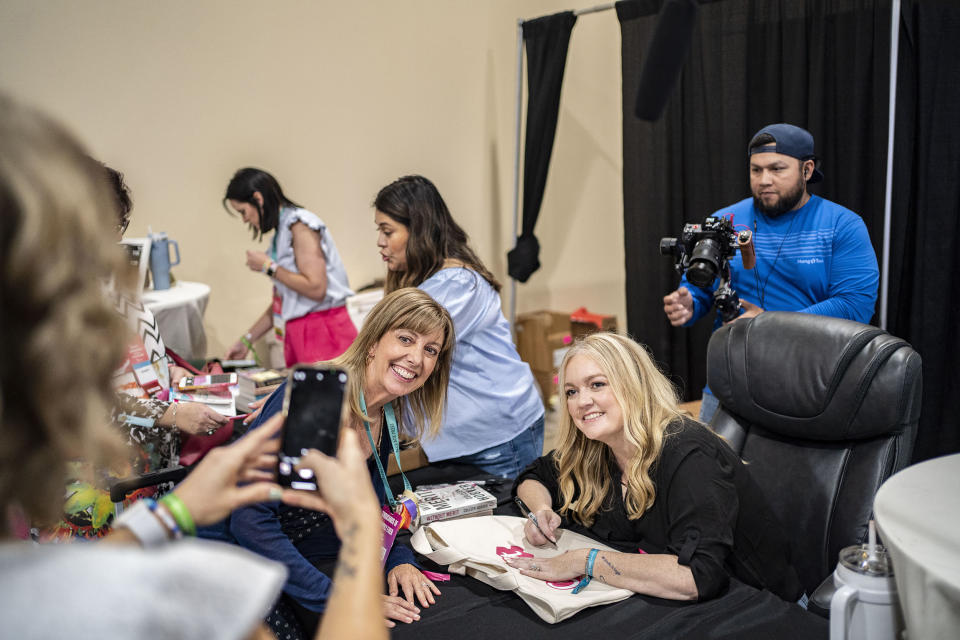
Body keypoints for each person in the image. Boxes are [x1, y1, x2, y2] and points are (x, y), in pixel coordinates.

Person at [0, 92, 387, 640]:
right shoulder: (118, 599)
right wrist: (363, 524)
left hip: (139, 487)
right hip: (102, 488)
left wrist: (173, 510)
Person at [226, 287, 455, 636]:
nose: (416, 358)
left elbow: (375, 504)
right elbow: (249, 520)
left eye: (430, 350)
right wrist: (337, 597)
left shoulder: (384, 412)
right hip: (266, 563)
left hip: (323, 557)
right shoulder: (317, 400)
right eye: (406, 339)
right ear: (374, 341)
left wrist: (399, 561)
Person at [509, 332, 803, 603]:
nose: (582, 402)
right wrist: (542, 510)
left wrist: (583, 561)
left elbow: (695, 576)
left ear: (633, 385)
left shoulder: (688, 452)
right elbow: (536, 475)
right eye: (571, 392)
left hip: (759, 606)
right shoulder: (596, 446)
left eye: (597, 384)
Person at [45, 164, 231, 540]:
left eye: (118, 226)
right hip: (99, 476)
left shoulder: (108, 281)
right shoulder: (58, 295)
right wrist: (172, 413)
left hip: (146, 462)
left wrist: (169, 373)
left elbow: (133, 354)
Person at [662, 124, 879, 421]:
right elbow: (702, 284)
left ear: (807, 170)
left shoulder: (842, 225)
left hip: (808, 382)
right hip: (730, 379)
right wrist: (691, 302)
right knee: (713, 466)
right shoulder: (725, 220)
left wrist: (769, 324)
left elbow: (854, 306)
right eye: (756, 170)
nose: (764, 180)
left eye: (777, 169)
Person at [373, 175, 544, 477]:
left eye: (388, 231)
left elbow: (395, 350)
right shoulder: (425, 281)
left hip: (498, 435)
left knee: (509, 519)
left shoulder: (458, 285)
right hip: (460, 436)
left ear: (419, 230)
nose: (380, 242)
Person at [223, 168, 357, 367]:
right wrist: (247, 340)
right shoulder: (282, 232)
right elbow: (285, 300)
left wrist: (268, 266)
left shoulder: (299, 224)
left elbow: (316, 288)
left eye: (243, 212)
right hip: (301, 333)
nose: (244, 220)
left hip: (323, 332)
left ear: (258, 199)